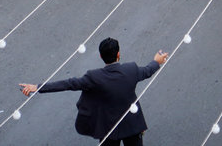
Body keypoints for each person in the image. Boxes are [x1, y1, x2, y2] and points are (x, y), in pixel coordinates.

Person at [19, 38, 168, 145]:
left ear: (101, 56)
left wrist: (38, 87)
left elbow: (68, 84)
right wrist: (157, 61)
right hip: (132, 126)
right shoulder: (131, 70)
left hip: (109, 129)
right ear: (118, 54)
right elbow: (148, 71)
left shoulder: (94, 77)